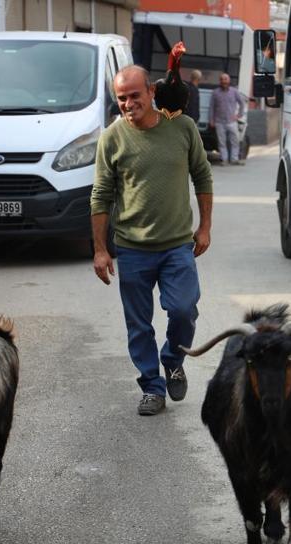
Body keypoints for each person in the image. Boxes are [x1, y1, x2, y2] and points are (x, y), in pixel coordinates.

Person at [90, 65, 213, 416]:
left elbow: (202, 176)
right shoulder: (111, 138)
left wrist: (205, 227)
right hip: (132, 249)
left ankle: (173, 360)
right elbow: (101, 196)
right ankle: (152, 388)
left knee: (184, 309)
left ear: (152, 92)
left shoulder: (182, 127)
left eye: (135, 95)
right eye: (122, 98)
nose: (129, 104)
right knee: (138, 325)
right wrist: (100, 250)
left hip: (177, 245)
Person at [209, 73, 246, 166]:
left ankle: (234, 159)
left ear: (229, 81)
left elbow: (242, 103)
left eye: (225, 79)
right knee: (222, 142)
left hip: (231, 121)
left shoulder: (234, 91)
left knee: (235, 141)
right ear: (220, 81)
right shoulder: (215, 93)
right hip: (219, 122)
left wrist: (239, 115)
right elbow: (211, 107)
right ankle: (224, 159)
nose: (224, 81)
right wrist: (211, 120)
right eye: (222, 79)